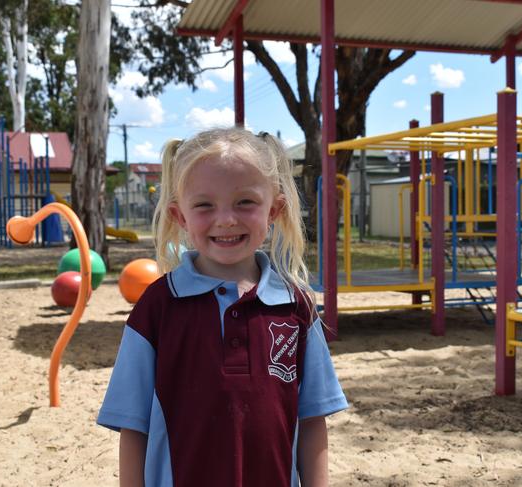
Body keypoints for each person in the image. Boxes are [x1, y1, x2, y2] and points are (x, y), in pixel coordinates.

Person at [98, 128, 348, 486]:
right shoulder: (156, 309)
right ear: (179, 216)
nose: (227, 219)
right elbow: (133, 427)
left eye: (245, 202)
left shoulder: (296, 308)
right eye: (204, 205)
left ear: (274, 209)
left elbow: (312, 421)